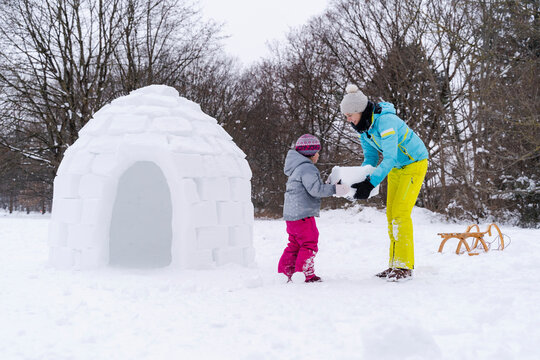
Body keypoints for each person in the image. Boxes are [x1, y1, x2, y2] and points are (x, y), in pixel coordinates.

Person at [340, 84, 429, 281]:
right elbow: (370, 159)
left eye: (349, 115)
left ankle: (404, 267)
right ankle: (394, 265)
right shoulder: (363, 128)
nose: (348, 120)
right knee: (391, 215)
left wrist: (371, 183)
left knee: (401, 214)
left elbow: (389, 156)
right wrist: (361, 179)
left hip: (414, 164)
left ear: (359, 110)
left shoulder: (386, 121)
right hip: (397, 167)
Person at [278, 134, 348, 283]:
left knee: (295, 244)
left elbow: (312, 186)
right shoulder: (307, 168)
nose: (318, 155)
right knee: (309, 242)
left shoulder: (297, 168)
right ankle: (304, 274)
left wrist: (328, 185)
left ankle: (285, 272)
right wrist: (335, 189)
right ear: (310, 153)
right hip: (302, 214)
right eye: (317, 152)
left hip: (291, 214)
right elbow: (315, 190)